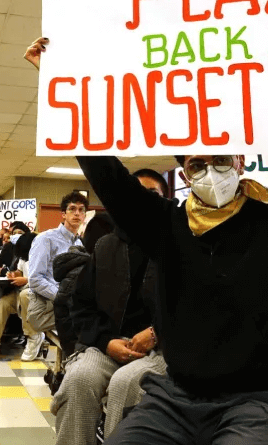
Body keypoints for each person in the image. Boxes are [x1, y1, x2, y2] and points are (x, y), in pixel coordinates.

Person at [25, 38, 268, 444]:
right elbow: (107, 175)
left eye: (221, 159)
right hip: (173, 398)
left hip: (258, 402)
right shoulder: (165, 225)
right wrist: (59, 80)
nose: (210, 171)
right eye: (198, 163)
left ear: (241, 162)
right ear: (183, 176)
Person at [52, 170, 170, 445]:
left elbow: (194, 307)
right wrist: (106, 342)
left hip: (162, 348)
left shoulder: (178, 245)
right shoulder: (106, 246)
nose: (142, 201)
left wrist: (155, 333)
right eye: (135, 193)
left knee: (126, 385)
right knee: (78, 380)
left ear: (166, 201)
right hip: (109, 344)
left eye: (151, 195)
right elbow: (82, 306)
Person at [23, 191, 87, 361]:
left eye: (81, 210)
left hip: (66, 306)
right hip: (43, 309)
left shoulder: (80, 244)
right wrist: (66, 297)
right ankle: (74, 367)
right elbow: (35, 279)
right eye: (72, 209)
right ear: (63, 214)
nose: (77, 213)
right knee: (89, 321)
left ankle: (75, 367)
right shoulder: (46, 239)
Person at [0, 232, 39, 364]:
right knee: (3, 303)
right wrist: (13, 274)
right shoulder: (23, 258)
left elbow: (47, 280)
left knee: (25, 296)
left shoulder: (44, 257)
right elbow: (20, 271)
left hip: (37, 296)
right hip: (20, 293)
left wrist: (26, 280)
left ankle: (33, 337)